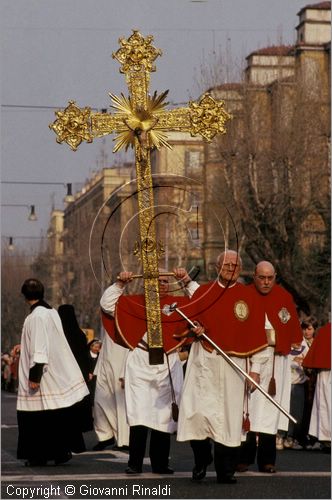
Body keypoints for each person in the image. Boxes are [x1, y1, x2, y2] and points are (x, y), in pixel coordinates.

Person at [176, 250, 268, 484]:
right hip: (203, 363)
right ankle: (202, 458)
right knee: (196, 414)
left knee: (228, 418)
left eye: (235, 265)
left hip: (234, 365)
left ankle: (225, 470)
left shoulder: (250, 297)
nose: (231, 268)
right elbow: (188, 320)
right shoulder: (203, 292)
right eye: (226, 264)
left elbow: (260, 334)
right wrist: (194, 328)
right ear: (217, 267)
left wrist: (255, 369)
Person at [100, 270, 191, 474]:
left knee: (164, 415)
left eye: (167, 281)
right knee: (139, 415)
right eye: (158, 281)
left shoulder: (178, 303)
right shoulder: (135, 303)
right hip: (141, 359)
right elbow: (107, 305)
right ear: (147, 284)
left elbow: (201, 304)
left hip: (168, 360)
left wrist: (185, 280)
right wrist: (119, 283)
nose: (163, 285)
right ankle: (135, 463)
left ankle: (160, 464)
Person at [237, 261, 303, 473]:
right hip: (251, 360)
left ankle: (267, 460)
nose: (266, 282)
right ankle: (244, 458)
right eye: (261, 277)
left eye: (270, 278)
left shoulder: (284, 297)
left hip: (276, 363)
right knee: (248, 409)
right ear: (254, 276)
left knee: (270, 411)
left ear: (275, 277)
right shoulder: (244, 295)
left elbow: (292, 330)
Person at [17, 278, 90, 466]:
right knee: (53, 416)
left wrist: (35, 375)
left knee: (37, 418)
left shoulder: (37, 316)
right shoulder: (51, 313)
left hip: (43, 374)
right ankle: (59, 452)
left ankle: (38, 456)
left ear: (25, 296)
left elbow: (40, 347)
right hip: (53, 373)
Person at [92, 324, 130, 451]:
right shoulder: (107, 316)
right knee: (99, 400)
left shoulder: (126, 312)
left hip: (120, 362)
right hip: (105, 361)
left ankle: (124, 440)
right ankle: (105, 436)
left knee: (120, 403)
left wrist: (125, 371)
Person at [283, 316, 318, 450]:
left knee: (308, 412)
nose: (306, 332)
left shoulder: (317, 344)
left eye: (309, 329)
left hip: (312, 383)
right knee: (295, 410)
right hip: (297, 380)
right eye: (304, 329)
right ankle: (291, 437)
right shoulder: (298, 343)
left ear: (314, 330)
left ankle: (305, 437)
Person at [58, 304, 94, 432]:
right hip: (79, 375)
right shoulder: (80, 334)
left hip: (63, 375)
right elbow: (85, 356)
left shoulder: (59, 335)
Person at [303, 322, 331, 453]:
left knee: (325, 404)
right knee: (325, 404)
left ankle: (326, 439)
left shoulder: (326, 330)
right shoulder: (326, 330)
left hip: (326, 373)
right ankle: (326, 439)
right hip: (325, 373)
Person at [87, 338, 102, 403]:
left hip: (96, 377)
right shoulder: (86, 354)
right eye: (95, 347)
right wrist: (88, 373)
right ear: (91, 346)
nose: (97, 349)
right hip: (88, 376)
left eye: (98, 347)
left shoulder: (99, 356)